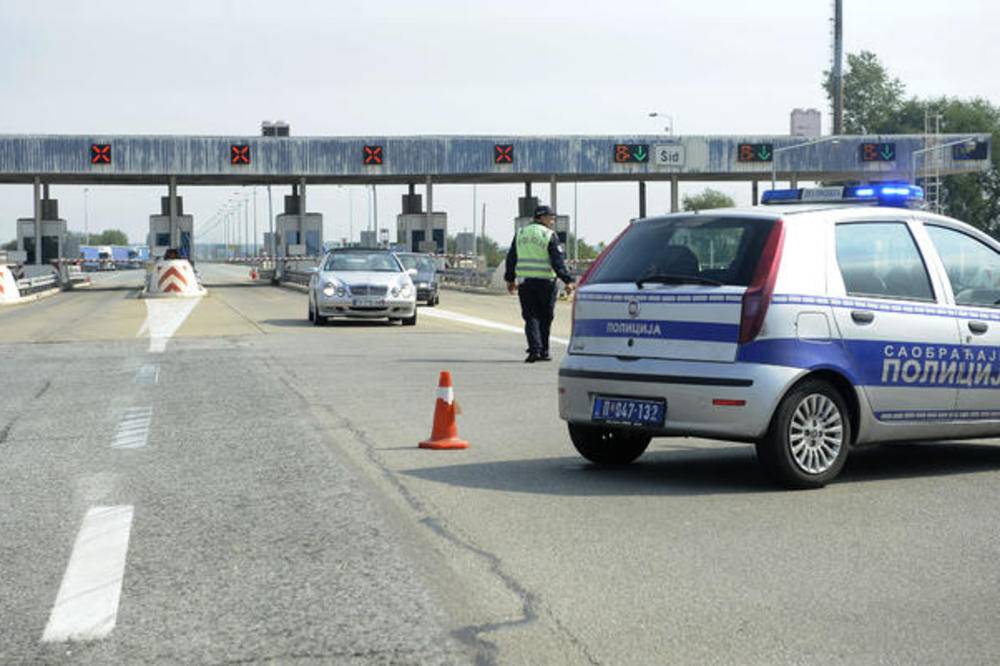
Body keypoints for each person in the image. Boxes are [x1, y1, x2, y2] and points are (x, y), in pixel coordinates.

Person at [504, 204, 575, 363]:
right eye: (551, 218)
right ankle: (543, 351)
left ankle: (535, 350)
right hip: (546, 283)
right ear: (543, 218)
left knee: (531, 317)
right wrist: (567, 280)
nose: (552, 222)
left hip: (525, 283)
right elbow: (557, 261)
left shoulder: (521, 233)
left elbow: (511, 258)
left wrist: (510, 279)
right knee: (545, 317)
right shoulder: (549, 235)